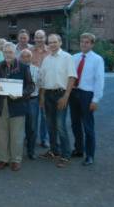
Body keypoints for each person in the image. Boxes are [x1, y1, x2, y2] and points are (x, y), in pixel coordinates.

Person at [0, 42, 34, 171]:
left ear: (15, 53)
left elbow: (31, 86)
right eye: (6, 52)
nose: (8, 54)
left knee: (16, 134)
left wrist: (20, 94)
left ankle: (16, 160)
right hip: (1, 104)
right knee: (2, 134)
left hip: (17, 105)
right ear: (3, 53)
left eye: (10, 52)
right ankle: (3, 159)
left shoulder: (23, 67)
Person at [39, 34, 77, 168]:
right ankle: (54, 151)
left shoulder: (67, 57)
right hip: (48, 94)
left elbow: (72, 78)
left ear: (60, 42)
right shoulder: (46, 59)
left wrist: (66, 97)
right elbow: (43, 80)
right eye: (50, 43)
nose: (52, 45)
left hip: (61, 95)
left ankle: (65, 154)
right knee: (50, 125)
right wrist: (42, 97)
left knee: (60, 125)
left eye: (55, 42)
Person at [69, 33, 104, 166]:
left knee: (88, 126)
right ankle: (78, 149)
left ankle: (90, 155)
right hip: (74, 93)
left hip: (87, 95)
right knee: (75, 123)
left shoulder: (97, 59)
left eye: (87, 42)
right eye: (82, 42)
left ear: (92, 44)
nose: (84, 44)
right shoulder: (74, 57)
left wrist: (96, 100)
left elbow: (99, 81)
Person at [30, 29, 50, 148]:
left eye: (41, 37)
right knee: (32, 116)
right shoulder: (29, 51)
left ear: (45, 38)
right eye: (37, 37)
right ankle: (31, 138)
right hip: (32, 89)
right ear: (34, 38)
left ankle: (44, 139)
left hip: (46, 88)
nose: (39, 39)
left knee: (44, 116)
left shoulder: (50, 51)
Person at [20, 49, 40, 160]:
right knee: (18, 126)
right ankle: (17, 151)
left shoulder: (37, 70)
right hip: (18, 100)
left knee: (32, 127)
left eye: (28, 56)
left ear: (31, 58)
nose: (25, 58)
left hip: (32, 100)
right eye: (23, 56)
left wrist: (41, 100)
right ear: (20, 58)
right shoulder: (16, 70)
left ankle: (31, 151)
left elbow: (41, 86)